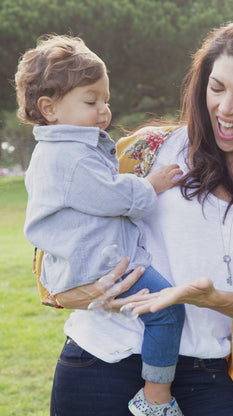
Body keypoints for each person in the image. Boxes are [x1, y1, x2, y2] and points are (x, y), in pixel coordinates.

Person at [39, 17, 233, 416]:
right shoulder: (149, 151)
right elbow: (57, 236)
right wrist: (84, 293)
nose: (225, 108)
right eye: (217, 88)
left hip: (205, 373)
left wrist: (212, 299)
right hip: (100, 361)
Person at [15, 35, 186, 416]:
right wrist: (151, 186)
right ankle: (156, 398)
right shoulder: (71, 156)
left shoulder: (61, 150)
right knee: (169, 309)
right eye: (91, 101)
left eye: (105, 100)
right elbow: (112, 195)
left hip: (85, 262)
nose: (104, 110)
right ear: (50, 108)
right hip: (100, 265)